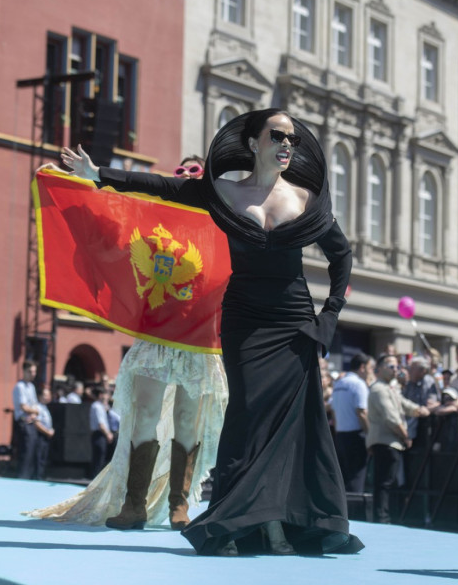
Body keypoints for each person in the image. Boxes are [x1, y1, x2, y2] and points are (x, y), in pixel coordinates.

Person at [55, 108, 363, 556]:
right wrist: (99, 174)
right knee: (245, 419)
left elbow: (342, 257)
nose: (286, 145)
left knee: (291, 427)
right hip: (244, 321)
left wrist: (329, 316)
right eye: (277, 136)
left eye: (292, 140)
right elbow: (162, 186)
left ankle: (278, 524)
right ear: (253, 142)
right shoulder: (222, 191)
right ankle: (239, 520)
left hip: (294, 322)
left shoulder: (303, 197)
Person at [26, 156, 228, 534]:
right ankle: (134, 504)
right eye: (180, 169)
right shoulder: (150, 220)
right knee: (145, 413)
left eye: (193, 171)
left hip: (200, 337)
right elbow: (112, 225)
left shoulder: (222, 223)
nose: (184, 174)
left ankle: (178, 506)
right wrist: (84, 185)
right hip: (155, 333)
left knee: (187, 420)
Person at [367, 354, 430, 524]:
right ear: (379, 369)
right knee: (384, 483)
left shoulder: (389, 388)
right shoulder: (379, 389)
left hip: (390, 441)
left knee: (387, 482)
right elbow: (392, 418)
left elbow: (404, 404)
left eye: (396, 367)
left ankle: (383, 516)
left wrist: (420, 410)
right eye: (391, 366)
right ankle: (382, 517)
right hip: (385, 441)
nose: (396, 370)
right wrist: (406, 435)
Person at [330, 353, 371, 493]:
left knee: (344, 477)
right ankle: (355, 512)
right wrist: (370, 435)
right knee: (356, 478)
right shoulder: (359, 384)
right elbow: (362, 412)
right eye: (370, 368)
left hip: (340, 435)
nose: (370, 371)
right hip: (356, 436)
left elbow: (334, 411)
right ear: (362, 367)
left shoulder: (339, 383)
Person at [13, 361, 41, 479]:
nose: (33, 374)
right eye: (30, 371)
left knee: (32, 453)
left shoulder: (31, 387)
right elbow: (23, 406)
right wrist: (34, 411)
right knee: (25, 453)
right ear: (24, 371)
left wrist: (34, 413)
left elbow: (35, 406)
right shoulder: (20, 386)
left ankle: (29, 478)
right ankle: (22, 478)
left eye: (34, 371)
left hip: (31, 422)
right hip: (23, 423)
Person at [34, 388, 55, 481]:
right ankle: (37, 477)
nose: (48, 397)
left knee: (43, 458)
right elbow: (37, 423)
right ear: (40, 396)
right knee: (38, 458)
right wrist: (47, 431)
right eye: (46, 395)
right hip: (40, 436)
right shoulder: (37, 407)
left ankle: (41, 476)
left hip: (46, 436)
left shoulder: (45, 407)